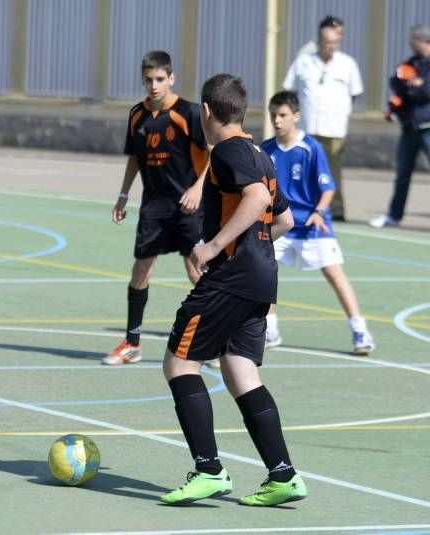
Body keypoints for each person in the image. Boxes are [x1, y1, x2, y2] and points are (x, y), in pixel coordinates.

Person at [159, 74, 307, 507]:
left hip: (231, 278)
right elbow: (284, 220)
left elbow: (258, 199)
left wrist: (213, 248)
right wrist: (253, 250)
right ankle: (283, 475)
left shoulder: (227, 151)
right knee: (240, 372)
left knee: (179, 364)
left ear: (206, 110)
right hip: (259, 277)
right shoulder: (261, 152)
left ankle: (209, 469)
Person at [104, 50, 208, 366]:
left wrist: (197, 188)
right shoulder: (137, 115)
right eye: (148, 80)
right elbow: (135, 156)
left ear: (171, 78)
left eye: (160, 79)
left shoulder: (188, 113)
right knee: (141, 269)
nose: (154, 85)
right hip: (153, 206)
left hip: (188, 207)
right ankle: (132, 342)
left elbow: (213, 153)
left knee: (197, 271)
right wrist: (123, 194)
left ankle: (214, 338)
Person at [261, 91, 375, 355]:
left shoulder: (311, 148)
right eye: (273, 115)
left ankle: (359, 330)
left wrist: (319, 211)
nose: (277, 121)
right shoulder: (266, 149)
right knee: (264, 270)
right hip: (280, 224)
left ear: (296, 116)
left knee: (335, 273)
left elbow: (327, 188)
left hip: (313, 224)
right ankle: (269, 327)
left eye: (283, 115)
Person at [283, 15, 363, 222]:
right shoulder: (303, 62)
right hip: (308, 126)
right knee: (304, 169)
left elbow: (355, 93)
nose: (330, 47)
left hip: (335, 128)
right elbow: (289, 90)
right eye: (326, 43)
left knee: (332, 170)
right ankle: (302, 206)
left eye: (334, 43)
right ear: (319, 41)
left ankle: (335, 210)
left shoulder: (347, 64)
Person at [371, 24, 430, 228]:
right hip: (409, 129)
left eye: (414, 40)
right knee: (402, 175)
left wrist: (417, 87)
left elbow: (426, 91)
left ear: (423, 41)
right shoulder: (410, 63)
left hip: (428, 128)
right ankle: (394, 216)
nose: (411, 43)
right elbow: (396, 81)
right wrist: (413, 85)